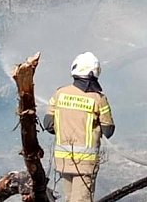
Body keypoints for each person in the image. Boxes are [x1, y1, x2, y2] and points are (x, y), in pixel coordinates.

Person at [44, 51, 115, 202]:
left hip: (63, 160)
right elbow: (108, 130)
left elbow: (48, 125)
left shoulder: (60, 93)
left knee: (69, 198)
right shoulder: (99, 98)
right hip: (85, 164)